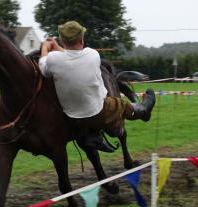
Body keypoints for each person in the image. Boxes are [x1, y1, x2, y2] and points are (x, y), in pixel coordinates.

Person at [39, 21, 156, 152]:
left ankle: (92, 135)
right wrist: (59, 47)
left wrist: (46, 47)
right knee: (122, 106)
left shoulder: (53, 60)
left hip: (72, 119)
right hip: (98, 112)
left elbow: (45, 64)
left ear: (62, 40)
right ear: (82, 40)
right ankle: (144, 110)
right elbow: (73, 56)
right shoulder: (92, 55)